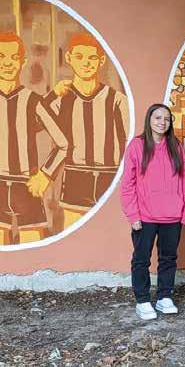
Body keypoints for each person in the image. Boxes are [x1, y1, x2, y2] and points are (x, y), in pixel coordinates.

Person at [120, 103, 185, 320]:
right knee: (141, 259)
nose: (162, 122)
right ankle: (143, 300)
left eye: (167, 119)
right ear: (149, 120)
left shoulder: (175, 146)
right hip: (145, 216)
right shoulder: (137, 146)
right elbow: (127, 184)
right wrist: (133, 215)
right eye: (158, 118)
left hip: (172, 216)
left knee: (168, 258)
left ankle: (164, 297)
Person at [45, 33, 129, 229]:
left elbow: (129, 142)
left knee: (110, 231)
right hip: (76, 176)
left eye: (92, 57)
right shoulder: (61, 99)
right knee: (75, 231)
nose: (86, 63)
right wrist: (52, 95)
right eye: (79, 56)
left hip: (110, 175)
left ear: (101, 60)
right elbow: (34, 122)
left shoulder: (117, 99)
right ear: (69, 58)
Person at [0, 31, 68, 244]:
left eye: (14, 57)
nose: (7, 63)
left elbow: (63, 144)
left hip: (26, 186)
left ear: (22, 61)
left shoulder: (33, 101)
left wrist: (45, 175)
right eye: (1, 56)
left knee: (33, 246)